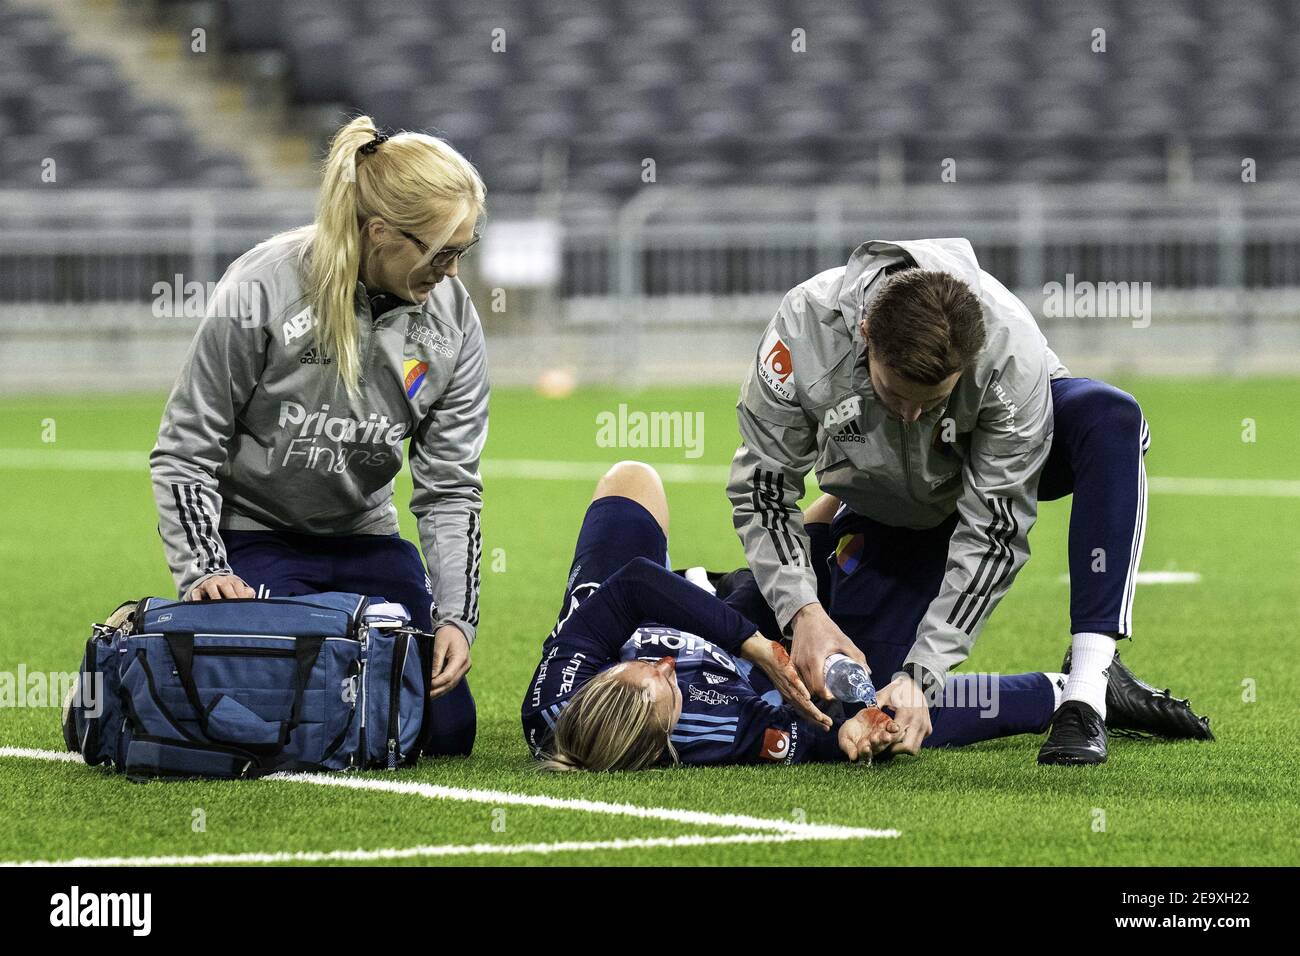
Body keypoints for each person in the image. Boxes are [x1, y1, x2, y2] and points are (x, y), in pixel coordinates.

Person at [727, 238, 1175, 765]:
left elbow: (994, 531)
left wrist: (924, 671)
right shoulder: (802, 331)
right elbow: (764, 487)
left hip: (987, 475)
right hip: (887, 512)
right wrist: (803, 611)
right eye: (895, 396)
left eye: (933, 400)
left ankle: (1088, 685)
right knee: (866, 710)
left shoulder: (1008, 346)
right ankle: (1055, 689)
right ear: (866, 336)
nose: (914, 416)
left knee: (1108, 417)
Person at [149, 115, 486, 756]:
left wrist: (454, 619)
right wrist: (204, 570)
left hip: (365, 542)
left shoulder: (455, 321)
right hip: (256, 538)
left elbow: (450, 488)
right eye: (441, 251)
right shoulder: (263, 286)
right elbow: (186, 446)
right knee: (278, 719)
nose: (451, 271)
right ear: (381, 233)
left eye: (462, 252)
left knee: (439, 732)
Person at [521, 461, 1123, 773]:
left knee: (633, 480)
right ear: (665, 740)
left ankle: (847, 493)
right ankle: (1076, 688)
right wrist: (844, 732)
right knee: (880, 691)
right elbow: (803, 735)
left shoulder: (555, 697)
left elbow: (633, 589)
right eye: (665, 684)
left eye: (642, 667)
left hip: (641, 606)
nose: (665, 661)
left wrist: (746, 638)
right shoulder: (713, 734)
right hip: (742, 658)